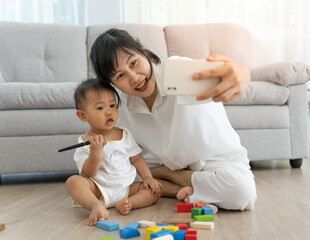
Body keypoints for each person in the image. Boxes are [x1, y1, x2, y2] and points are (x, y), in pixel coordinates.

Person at [89, 28, 257, 211]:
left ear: (142, 52)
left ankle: (173, 176)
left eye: (134, 63)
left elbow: (229, 71)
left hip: (214, 161)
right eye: (120, 76)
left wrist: (242, 73)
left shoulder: (179, 70)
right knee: (115, 179)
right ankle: (185, 187)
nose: (135, 78)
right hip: (163, 163)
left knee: (242, 192)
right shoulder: (122, 107)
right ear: (112, 84)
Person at [65, 78, 162, 226]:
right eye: (100, 108)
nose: (109, 112)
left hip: (128, 187)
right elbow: (88, 173)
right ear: (83, 116)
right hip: (100, 189)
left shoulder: (124, 134)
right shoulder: (86, 141)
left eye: (112, 105)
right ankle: (96, 206)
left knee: (154, 190)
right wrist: (95, 152)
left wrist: (148, 177)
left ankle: (129, 203)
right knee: (73, 182)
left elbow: (136, 159)